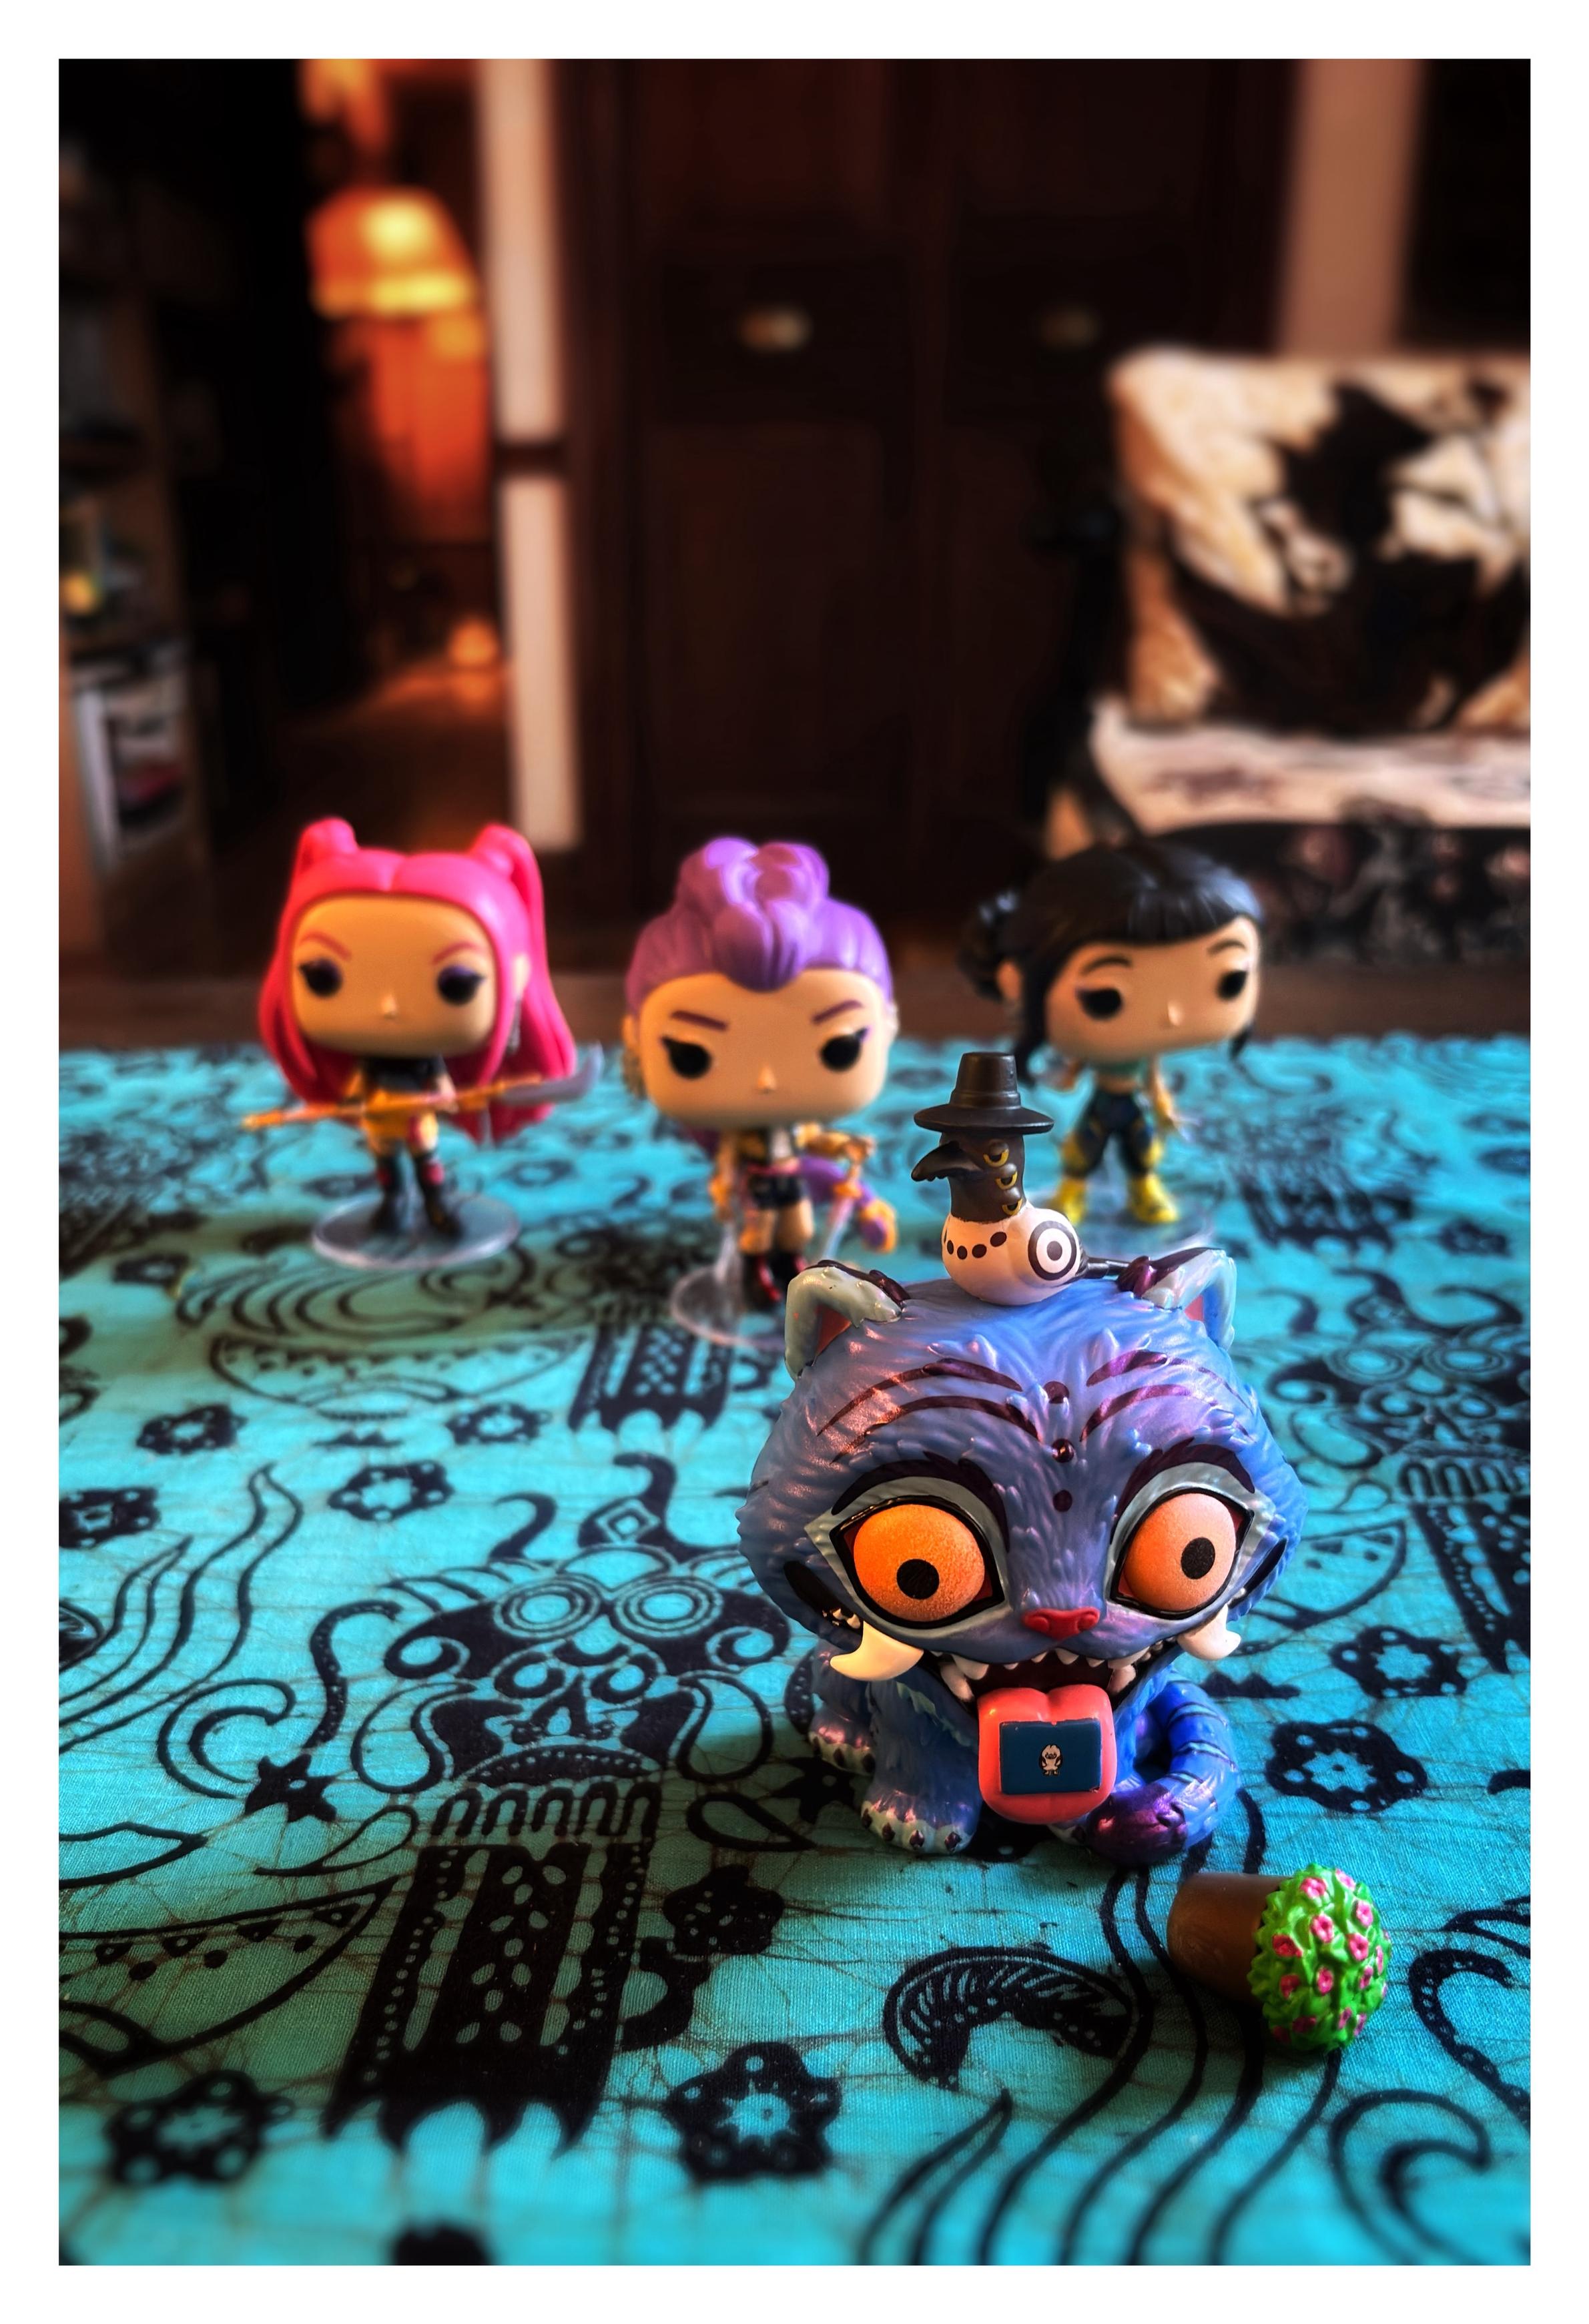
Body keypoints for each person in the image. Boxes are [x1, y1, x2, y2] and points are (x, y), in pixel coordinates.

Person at [258, 819, 576, 1237]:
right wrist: (352, 1102)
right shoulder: (369, 1061)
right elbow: (356, 1088)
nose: (388, 1008)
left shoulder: (428, 1062)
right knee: (387, 1160)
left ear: (515, 975)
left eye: (456, 984)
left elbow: (443, 1089)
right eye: (323, 978)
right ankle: (394, 1202)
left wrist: (444, 1097)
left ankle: (435, 1203)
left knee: (427, 1158)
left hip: (417, 1118)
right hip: (380, 1119)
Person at [624, 839, 898, 1307]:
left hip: (789, 1180)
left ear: (887, 1025)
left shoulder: (798, 1127)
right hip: (756, 1184)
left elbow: (815, 1141)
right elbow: (728, 1157)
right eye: (692, 1055)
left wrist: (845, 1146)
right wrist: (721, 1185)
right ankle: (755, 1275)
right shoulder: (742, 1136)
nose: (767, 1081)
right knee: (756, 1232)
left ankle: (790, 1266)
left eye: (839, 1048)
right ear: (636, 1039)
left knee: (797, 1228)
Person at [960, 840, 1263, 1227]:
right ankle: (1072, 1191)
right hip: (1104, 1101)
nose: (1171, 1016)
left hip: (1129, 1102)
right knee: (1084, 1148)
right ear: (1016, 982)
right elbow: (1077, 1068)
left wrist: (1163, 1104)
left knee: (1143, 1148)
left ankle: (1144, 1190)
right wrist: (1068, 1076)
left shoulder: (1146, 1058)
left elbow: (1153, 1077)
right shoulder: (1093, 1049)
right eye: (1106, 997)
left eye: (1231, 980)